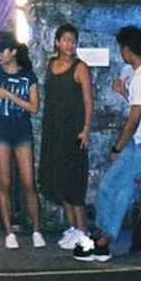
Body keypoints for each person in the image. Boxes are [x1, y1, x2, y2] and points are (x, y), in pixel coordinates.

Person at [72, 26, 141, 263]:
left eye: (121, 48)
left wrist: (116, 147)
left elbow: (133, 121)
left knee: (107, 185)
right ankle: (105, 240)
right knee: (123, 188)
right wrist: (124, 92)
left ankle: (101, 236)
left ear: (127, 50)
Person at [0, 35, 44, 250]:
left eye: (3, 51)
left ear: (13, 52)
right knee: (4, 183)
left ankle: (36, 229)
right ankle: (9, 231)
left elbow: (34, 107)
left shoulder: (27, 76)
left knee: (28, 182)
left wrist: (9, 95)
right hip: (0, 133)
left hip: (22, 133)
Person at [38, 23, 93, 249]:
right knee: (59, 181)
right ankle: (72, 229)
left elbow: (88, 100)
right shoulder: (50, 64)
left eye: (73, 40)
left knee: (74, 184)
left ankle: (83, 232)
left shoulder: (81, 67)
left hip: (73, 132)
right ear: (57, 42)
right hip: (54, 131)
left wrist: (86, 129)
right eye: (66, 40)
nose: (69, 44)